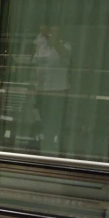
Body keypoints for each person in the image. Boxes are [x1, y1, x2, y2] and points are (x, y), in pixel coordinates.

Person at [31, 25, 71, 155]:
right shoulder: (41, 47)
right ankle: (43, 146)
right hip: (41, 90)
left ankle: (51, 149)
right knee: (41, 119)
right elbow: (35, 65)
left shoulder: (65, 45)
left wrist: (56, 41)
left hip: (57, 91)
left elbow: (65, 56)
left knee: (53, 122)